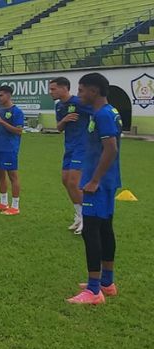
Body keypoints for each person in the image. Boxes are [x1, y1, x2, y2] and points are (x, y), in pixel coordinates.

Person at [67, 73, 122, 305]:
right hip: (106, 181)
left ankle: (93, 291)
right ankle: (106, 283)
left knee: (92, 232)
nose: (79, 95)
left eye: (82, 90)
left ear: (94, 90)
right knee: (105, 229)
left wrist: (95, 180)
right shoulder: (108, 112)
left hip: (98, 183)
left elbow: (111, 149)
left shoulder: (103, 115)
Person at [50, 77, 91, 235]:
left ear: (64, 88)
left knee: (74, 182)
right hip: (69, 147)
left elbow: (97, 113)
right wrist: (65, 120)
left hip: (82, 146)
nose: (50, 92)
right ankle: (79, 216)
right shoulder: (59, 105)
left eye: (53, 89)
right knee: (66, 181)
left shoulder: (79, 102)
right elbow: (59, 128)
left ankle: (87, 219)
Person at [0, 85, 24, 216]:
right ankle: (3, 203)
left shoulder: (17, 112)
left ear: (9, 95)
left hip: (9, 149)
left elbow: (19, 131)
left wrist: (1, 121)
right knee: (0, 175)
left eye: (1, 95)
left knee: (13, 177)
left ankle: (15, 206)